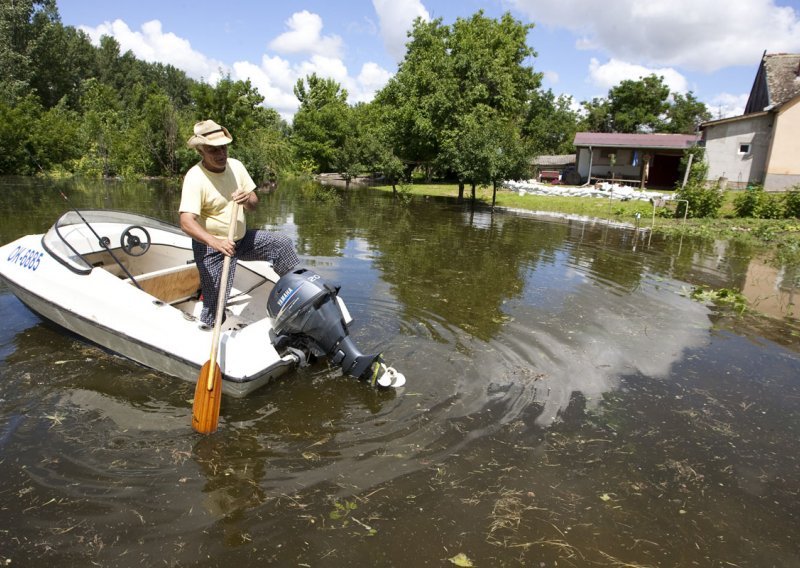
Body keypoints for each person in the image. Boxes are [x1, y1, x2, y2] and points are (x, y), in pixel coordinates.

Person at [180, 119, 299, 328]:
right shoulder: (195, 177)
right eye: (213, 150)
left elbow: (253, 204)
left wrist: (248, 199)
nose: (221, 154)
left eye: (223, 148)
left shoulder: (236, 166)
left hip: (240, 239)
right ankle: (208, 331)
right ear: (201, 151)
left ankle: (297, 294)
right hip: (211, 247)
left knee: (282, 244)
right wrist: (216, 243)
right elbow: (186, 222)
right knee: (215, 302)